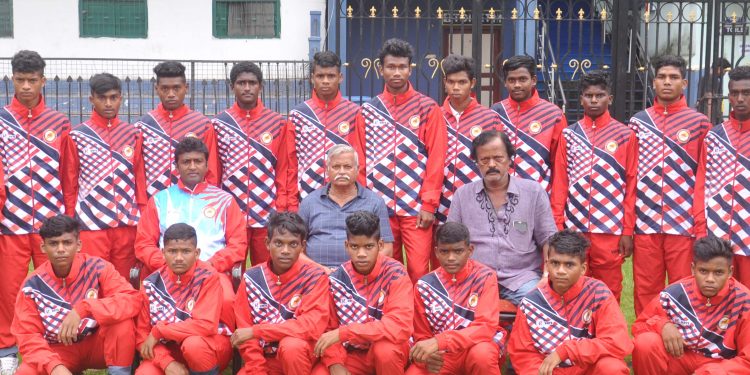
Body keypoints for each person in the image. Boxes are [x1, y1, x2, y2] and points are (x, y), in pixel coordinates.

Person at [350, 38, 448, 282]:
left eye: (402, 67)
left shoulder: (427, 108)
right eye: (391, 67)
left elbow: (437, 158)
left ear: (410, 69)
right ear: (380, 69)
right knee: (384, 271)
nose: (396, 72)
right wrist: (365, 201)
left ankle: (418, 320)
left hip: (416, 209)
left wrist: (429, 204)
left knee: (417, 271)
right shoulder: (368, 111)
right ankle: (390, 318)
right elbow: (359, 160)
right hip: (379, 208)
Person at [0, 50, 71, 372]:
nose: (26, 86)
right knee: (9, 290)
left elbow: (69, 173)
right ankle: (7, 351)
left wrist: (68, 217)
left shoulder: (59, 122)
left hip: (50, 224)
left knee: (55, 284)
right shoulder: (2, 121)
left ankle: (57, 346)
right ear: (11, 80)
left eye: (32, 80)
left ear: (43, 80)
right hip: (10, 222)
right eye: (20, 80)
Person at [629, 55, 712, 316]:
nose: (667, 82)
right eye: (662, 77)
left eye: (674, 77)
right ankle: (646, 345)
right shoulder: (638, 123)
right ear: (653, 82)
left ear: (684, 83)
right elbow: (630, 177)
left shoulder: (699, 124)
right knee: (646, 290)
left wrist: (700, 225)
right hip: (646, 224)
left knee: (684, 288)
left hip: (683, 224)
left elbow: (705, 179)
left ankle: (685, 346)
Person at [135, 137, 246, 328]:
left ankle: (220, 347)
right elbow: (143, 244)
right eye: (186, 162)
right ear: (176, 167)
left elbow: (238, 245)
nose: (192, 167)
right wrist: (170, 264)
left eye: (198, 161)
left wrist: (209, 265)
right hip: (168, 272)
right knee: (144, 303)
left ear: (206, 165)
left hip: (212, 272)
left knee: (227, 301)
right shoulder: (161, 200)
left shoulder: (225, 200)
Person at [11, 215, 140, 375]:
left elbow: (131, 299)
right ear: (43, 247)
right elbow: (27, 335)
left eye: (67, 242)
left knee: (122, 322)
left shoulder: (98, 268)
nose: (60, 249)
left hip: (97, 344)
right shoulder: (33, 285)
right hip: (59, 352)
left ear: (78, 245)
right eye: (53, 243)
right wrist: (54, 366)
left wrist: (85, 308)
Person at [550, 71, 637, 302]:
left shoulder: (625, 135)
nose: (594, 100)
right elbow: (560, 182)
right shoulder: (569, 135)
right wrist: (558, 223)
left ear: (610, 98)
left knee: (609, 291)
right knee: (571, 286)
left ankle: (607, 335)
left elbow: (631, 184)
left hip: (609, 228)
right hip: (574, 226)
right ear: (580, 99)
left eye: (600, 95)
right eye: (589, 95)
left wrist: (627, 231)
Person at [447, 130, 557, 306]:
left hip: (521, 279)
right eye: (484, 160)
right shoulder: (462, 195)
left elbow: (549, 239)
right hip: (474, 278)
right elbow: (451, 240)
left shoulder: (533, 192)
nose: (491, 164)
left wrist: (546, 277)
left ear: (510, 159)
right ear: (476, 163)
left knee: (541, 306)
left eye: (498, 158)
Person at [508, 229, 632, 375]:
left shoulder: (598, 293)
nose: (560, 271)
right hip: (550, 372)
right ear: (547, 265)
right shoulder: (531, 302)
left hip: (589, 369)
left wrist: (566, 351)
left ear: (583, 269)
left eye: (569, 265)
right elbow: (523, 355)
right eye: (555, 263)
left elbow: (617, 342)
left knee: (612, 368)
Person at [207, 61, 294, 266]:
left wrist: (280, 205)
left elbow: (284, 168)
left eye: (252, 83)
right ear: (232, 87)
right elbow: (213, 170)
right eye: (241, 83)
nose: (247, 88)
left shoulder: (278, 122)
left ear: (260, 86)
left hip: (267, 211)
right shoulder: (220, 123)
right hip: (230, 211)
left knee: (268, 269)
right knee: (230, 271)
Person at [312, 211, 413, 375]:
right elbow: (327, 329)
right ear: (346, 245)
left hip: (388, 348)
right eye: (354, 247)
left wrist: (345, 332)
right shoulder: (337, 279)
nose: (361, 254)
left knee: (385, 351)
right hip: (350, 353)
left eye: (368, 246)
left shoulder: (396, 274)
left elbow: (398, 327)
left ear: (380, 245)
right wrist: (335, 362)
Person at [60, 73, 141, 278]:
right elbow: (69, 183)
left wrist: (143, 217)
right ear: (91, 99)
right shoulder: (78, 136)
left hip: (127, 225)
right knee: (91, 283)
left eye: (113, 97)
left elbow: (140, 180)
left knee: (124, 284)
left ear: (121, 98)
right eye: (102, 98)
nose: (108, 103)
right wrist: (70, 221)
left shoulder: (132, 135)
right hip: (91, 225)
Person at [632, 236, 750, 374]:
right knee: (646, 343)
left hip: (719, 364)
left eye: (718, 272)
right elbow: (639, 326)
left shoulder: (744, 301)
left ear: (730, 272)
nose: (710, 279)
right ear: (693, 269)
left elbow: (747, 359)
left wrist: (713, 371)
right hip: (680, 358)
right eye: (703, 271)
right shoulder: (674, 293)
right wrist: (662, 325)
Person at [232, 212, 330, 375]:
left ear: (302, 245)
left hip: (301, 357)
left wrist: (258, 331)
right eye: (278, 243)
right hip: (263, 360)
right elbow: (245, 332)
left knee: (291, 346)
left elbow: (309, 327)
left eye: (293, 244)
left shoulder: (315, 277)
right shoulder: (251, 277)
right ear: (267, 243)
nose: (285, 250)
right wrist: (258, 369)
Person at [407, 222, 505, 375]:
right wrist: (428, 358)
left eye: (458, 251)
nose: (451, 258)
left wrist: (441, 341)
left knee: (482, 355)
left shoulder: (485, 277)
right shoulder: (424, 285)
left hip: (474, 348)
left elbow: (485, 327)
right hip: (442, 355)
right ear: (436, 252)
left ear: (470, 250)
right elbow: (421, 335)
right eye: (445, 251)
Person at [135, 223, 232, 375]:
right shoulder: (150, 284)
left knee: (194, 345)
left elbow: (205, 326)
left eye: (186, 251)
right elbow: (141, 336)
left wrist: (161, 330)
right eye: (172, 251)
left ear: (197, 253)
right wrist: (167, 363)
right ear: (163, 252)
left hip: (207, 345)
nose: (179, 258)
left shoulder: (208, 277)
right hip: (167, 351)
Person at [695, 65, 750, 288]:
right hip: (717, 236)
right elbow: (702, 185)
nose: (739, 99)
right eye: (734, 93)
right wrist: (701, 229)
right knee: (719, 298)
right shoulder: (714, 136)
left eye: (746, 93)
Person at [299, 144, 393, 269]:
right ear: (327, 170)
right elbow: (296, 248)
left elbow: (387, 248)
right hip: (316, 274)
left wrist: (353, 273)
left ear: (357, 169)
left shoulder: (375, 202)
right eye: (336, 167)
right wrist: (322, 271)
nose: (342, 171)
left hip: (360, 275)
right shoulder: (309, 202)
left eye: (347, 166)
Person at [134, 61, 213, 206]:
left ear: (186, 88)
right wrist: (143, 205)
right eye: (165, 88)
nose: (171, 94)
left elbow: (211, 169)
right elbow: (138, 172)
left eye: (176, 88)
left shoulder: (202, 124)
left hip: (193, 203)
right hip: (155, 204)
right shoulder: (143, 126)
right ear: (156, 89)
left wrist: (208, 202)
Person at [438, 54, 503, 223]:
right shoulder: (435, 115)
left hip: (479, 202)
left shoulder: (490, 118)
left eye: (462, 82)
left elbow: (500, 161)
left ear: (472, 83)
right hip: (440, 202)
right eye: (451, 82)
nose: (456, 87)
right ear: (445, 83)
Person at [288, 51, 361, 200]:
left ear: (340, 78)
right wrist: (292, 200)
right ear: (312, 78)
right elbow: (290, 162)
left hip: (346, 198)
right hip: (307, 198)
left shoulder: (355, 113)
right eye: (320, 76)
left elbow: (360, 160)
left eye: (331, 76)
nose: (325, 81)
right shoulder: (298, 115)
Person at [491, 55, 567, 193]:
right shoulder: (495, 112)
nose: (517, 85)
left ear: (533, 80)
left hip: (539, 198)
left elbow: (560, 166)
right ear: (505, 83)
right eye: (511, 80)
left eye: (522, 79)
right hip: (499, 197)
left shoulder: (553, 115)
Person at [697, 57, 732, 125]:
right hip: (711, 117)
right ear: (719, 68)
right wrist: (710, 121)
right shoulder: (712, 79)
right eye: (724, 71)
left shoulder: (706, 77)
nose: (724, 74)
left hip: (708, 115)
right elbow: (709, 100)